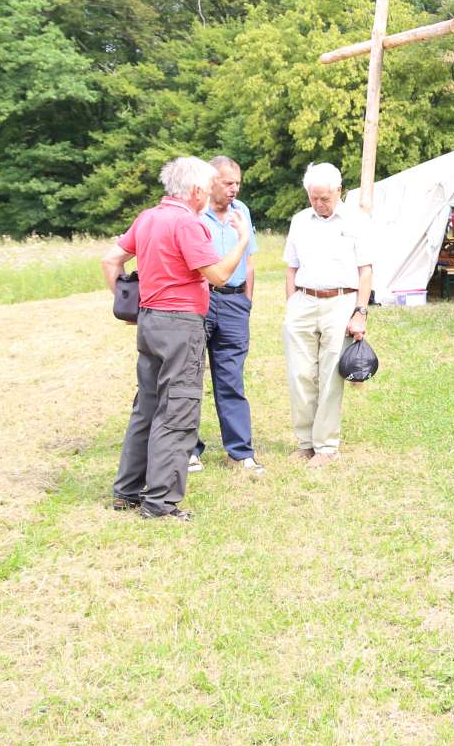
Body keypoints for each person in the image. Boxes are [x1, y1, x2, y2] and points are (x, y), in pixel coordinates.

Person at [101, 156, 252, 521]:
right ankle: (161, 503)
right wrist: (242, 240)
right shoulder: (187, 224)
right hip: (181, 325)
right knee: (178, 410)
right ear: (197, 191)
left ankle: (128, 491)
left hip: (150, 322)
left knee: (147, 407)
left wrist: (127, 305)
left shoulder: (148, 217)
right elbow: (217, 276)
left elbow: (111, 261)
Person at [282, 162, 373, 466]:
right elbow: (291, 267)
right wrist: (291, 303)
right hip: (304, 301)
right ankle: (305, 441)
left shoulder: (357, 221)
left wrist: (360, 313)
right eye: (314, 198)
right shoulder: (299, 221)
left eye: (325, 198)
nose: (320, 204)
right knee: (300, 375)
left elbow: (365, 271)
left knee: (330, 376)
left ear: (339, 191)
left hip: (341, 302)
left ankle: (326, 447)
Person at [191, 156, 263, 475]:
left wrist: (246, 301)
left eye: (238, 183)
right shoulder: (193, 214)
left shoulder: (242, 212)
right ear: (211, 182)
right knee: (189, 376)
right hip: (199, 301)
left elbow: (248, 261)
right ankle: (187, 450)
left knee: (231, 378)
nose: (235, 189)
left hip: (233, 303)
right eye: (228, 183)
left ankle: (239, 453)